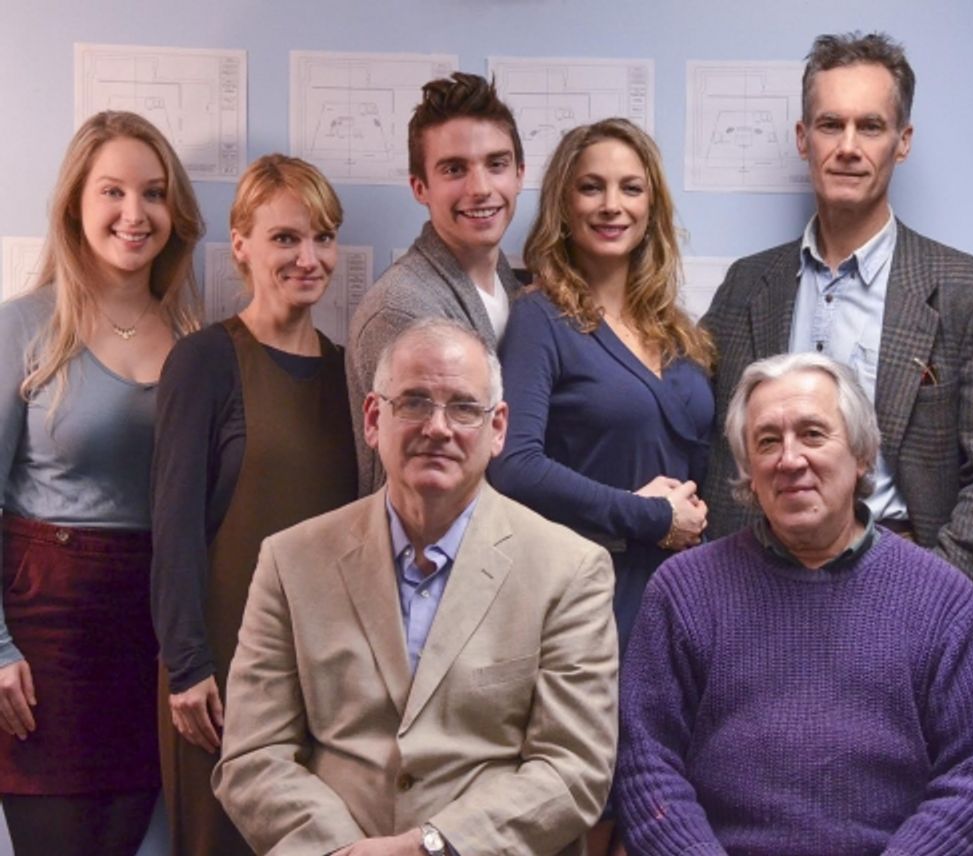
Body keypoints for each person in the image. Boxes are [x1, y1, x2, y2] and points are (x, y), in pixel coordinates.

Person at [213, 319, 618, 855]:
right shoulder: (291, 561)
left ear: (498, 429)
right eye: (415, 402)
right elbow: (252, 756)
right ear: (374, 419)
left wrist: (431, 846)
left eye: (464, 408)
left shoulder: (569, 570)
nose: (438, 427)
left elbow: (574, 767)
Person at [617, 352, 973, 856]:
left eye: (812, 434)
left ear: (862, 454)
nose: (789, 459)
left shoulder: (942, 598)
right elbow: (645, 764)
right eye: (767, 441)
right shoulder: (683, 592)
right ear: (748, 470)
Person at [701, 31, 973, 584]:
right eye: (831, 125)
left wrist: (936, 586)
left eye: (871, 126)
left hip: (902, 573)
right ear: (802, 137)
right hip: (755, 581)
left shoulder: (969, 293)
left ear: (902, 142)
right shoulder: (746, 285)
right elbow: (708, 438)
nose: (849, 146)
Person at [0, 111, 203, 855]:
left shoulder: (195, 341)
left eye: (153, 193)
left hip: (149, 631)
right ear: (75, 207)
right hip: (43, 633)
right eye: (111, 191)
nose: (133, 213)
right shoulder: (22, 328)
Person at [151, 154, 358, 856]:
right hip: (219, 682)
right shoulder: (205, 360)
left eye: (323, 237)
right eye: (286, 238)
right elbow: (172, 530)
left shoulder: (349, 373)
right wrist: (187, 668)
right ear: (240, 243)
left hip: (329, 683)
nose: (309, 257)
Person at [489, 117, 714, 656]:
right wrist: (650, 516)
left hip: (685, 593)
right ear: (564, 206)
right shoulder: (539, 320)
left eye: (631, 188)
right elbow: (511, 464)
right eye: (592, 187)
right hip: (592, 594)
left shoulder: (677, 328)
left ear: (652, 207)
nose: (612, 205)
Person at [347, 72, 525, 494]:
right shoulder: (401, 307)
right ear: (419, 187)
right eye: (454, 169)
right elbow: (424, 482)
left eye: (496, 164)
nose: (480, 188)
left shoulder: (514, 288)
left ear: (519, 174)